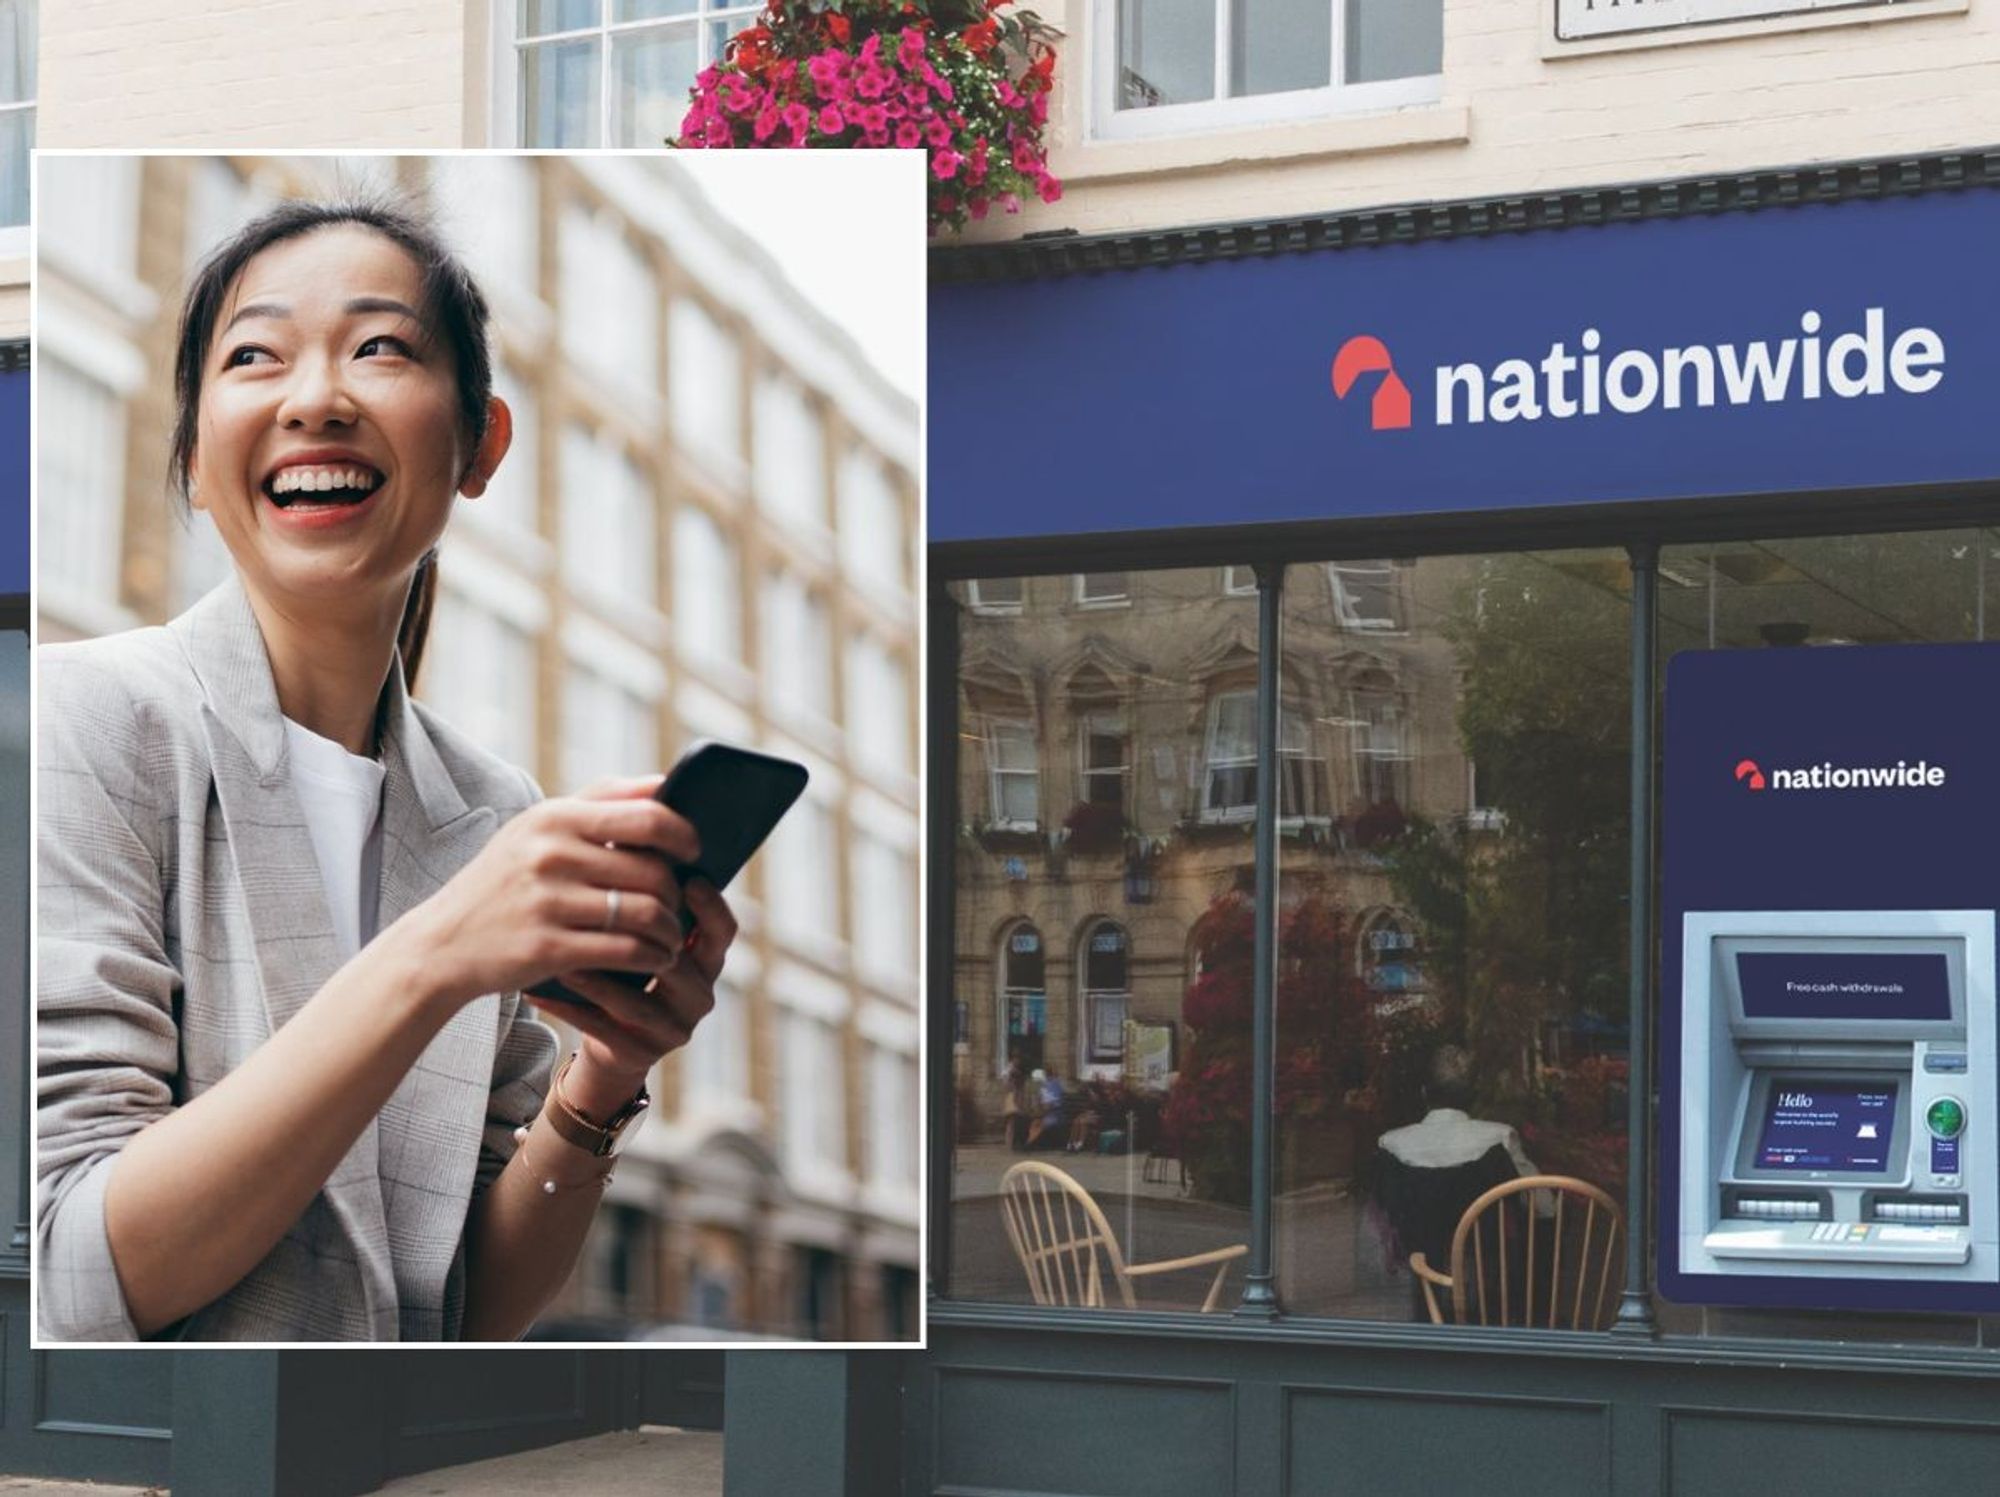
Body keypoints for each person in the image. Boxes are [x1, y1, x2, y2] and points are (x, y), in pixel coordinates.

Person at [36, 199, 737, 1343]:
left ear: (480, 446)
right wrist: (438, 954)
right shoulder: (89, 718)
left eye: (379, 348)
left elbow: (462, 1308)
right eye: (254, 356)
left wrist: (601, 1078)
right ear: (195, 464)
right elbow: (83, 1271)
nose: (314, 397)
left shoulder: (489, 812)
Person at [1373, 1045, 1539, 1321]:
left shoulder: (1390, 1144)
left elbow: (1382, 1216)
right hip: (1491, 1286)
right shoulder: (1499, 1137)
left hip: (1417, 1281)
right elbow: (1542, 1204)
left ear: (1424, 1092)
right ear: (1474, 1095)